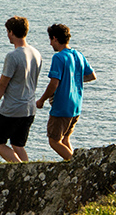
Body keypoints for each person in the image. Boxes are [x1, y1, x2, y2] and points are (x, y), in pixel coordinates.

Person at [0, 17, 43, 162]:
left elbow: (2, 85)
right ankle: (28, 173)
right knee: (17, 144)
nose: (7, 35)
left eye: (8, 32)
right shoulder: (36, 53)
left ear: (12, 32)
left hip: (13, 108)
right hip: (29, 108)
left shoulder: (13, 56)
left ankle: (19, 168)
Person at [35, 23, 97, 160]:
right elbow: (92, 75)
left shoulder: (59, 57)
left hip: (62, 107)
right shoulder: (78, 55)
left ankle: (77, 167)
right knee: (65, 140)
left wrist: (41, 100)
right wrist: (73, 81)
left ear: (55, 38)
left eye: (51, 40)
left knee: (54, 140)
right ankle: (76, 163)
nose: (50, 44)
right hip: (76, 106)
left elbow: (54, 84)